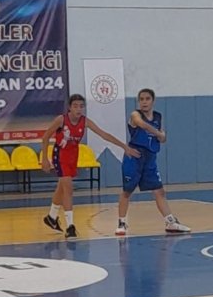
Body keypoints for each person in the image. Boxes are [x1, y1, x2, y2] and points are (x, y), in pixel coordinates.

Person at [41, 93, 139, 239]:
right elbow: (45, 137)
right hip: (60, 155)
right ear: (69, 108)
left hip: (73, 155)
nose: (78, 109)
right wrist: (44, 158)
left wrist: (124, 146)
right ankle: (70, 226)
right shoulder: (61, 120)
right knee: (68, 188)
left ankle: (51, 217)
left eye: (81, 106)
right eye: (75, 106)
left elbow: (104, 135)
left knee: (62, 187)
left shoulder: (85, 121)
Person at [115, 88, 191, 236]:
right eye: (141, 99)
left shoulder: (157, 116)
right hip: (135, 156)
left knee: (159, 191)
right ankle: (121, 222)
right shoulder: (135, 114)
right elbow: (142, 124)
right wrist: (157, 133)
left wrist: (162, 136)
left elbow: (163, 138)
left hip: (150, 158)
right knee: (127, 191)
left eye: (147, 99)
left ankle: (170, 221)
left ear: (153, 101)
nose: (144, 102)